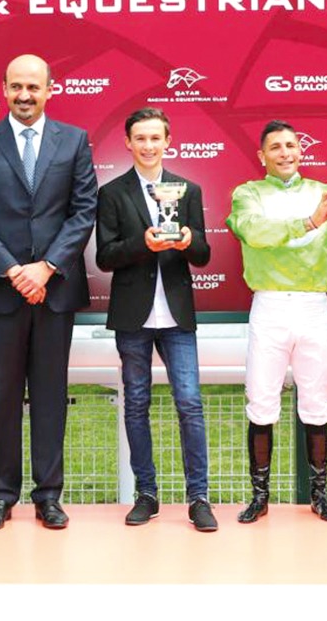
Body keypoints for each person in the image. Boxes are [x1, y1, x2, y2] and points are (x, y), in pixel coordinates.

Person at [0, 53, 97, 532]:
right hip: (2, 290)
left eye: (33, 87)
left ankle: (49, 496)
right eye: (16, 86)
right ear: (3, 89)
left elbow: (83, 210)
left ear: (49, 90)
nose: (24, 95)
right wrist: (15, 270)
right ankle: (0, 496)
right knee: (2, 398)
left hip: (54, 290)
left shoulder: (74, 141)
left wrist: (48, 267)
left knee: (51, 396)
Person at [225, 120, 327, 524]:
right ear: (262, 156)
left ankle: (320, 495)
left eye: (291, 145)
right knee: (261, 403)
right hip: (270, 305)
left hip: (314, 305)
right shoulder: (247, 193)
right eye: (275, 147)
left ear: (301, 150)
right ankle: (260, 497)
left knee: (317, 403)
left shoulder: (324, 191)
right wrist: (310, 222)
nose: (284, 153)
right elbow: (253, 232)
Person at [95, 108, 217, 531]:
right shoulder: (111, 194)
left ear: (168, 141)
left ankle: (198, 497)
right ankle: (146, 493)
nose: (148, 145)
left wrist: (186, 241)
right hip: (133, 316)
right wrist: (142, 244)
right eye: (140, 138)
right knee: (137, 404)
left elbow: (203, 254)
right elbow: (105, 256)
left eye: (155, 138)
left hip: (177, 316)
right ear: (128, 143)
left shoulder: (189, 191)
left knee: (190, 403)